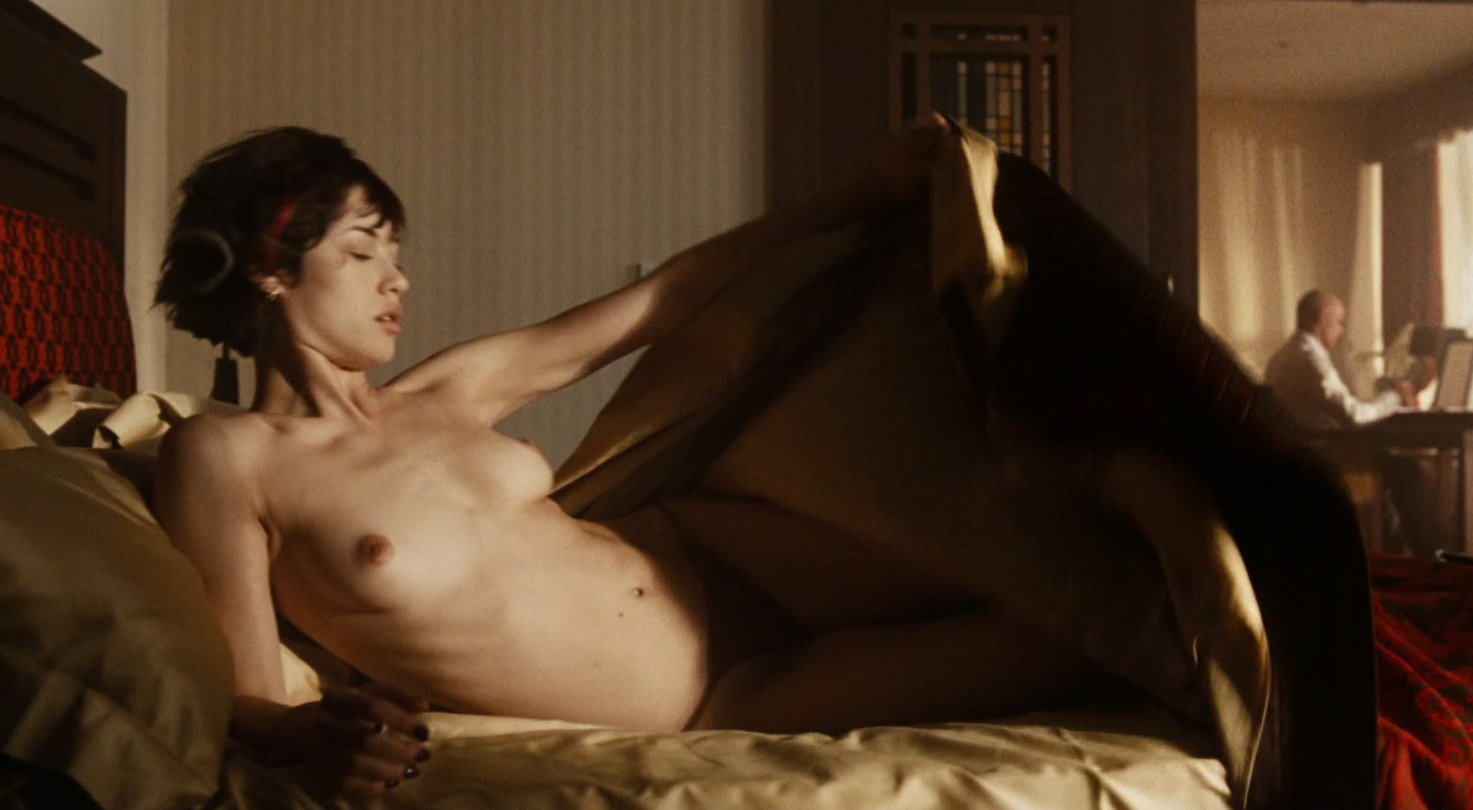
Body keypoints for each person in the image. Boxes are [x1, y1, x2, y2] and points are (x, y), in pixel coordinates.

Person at [152, 120, 1104, 800]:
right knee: (1072, 640)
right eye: (364, 251)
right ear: (270, 268)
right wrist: (315, 734)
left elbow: (666, 301)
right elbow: (248, 696)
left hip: (722, 551)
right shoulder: (225, 454)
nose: (397, 278)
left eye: (396, 251)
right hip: (717, 696)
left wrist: (860, 195)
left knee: (1087, 563)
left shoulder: (442, 391)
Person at [1263, 290, 1417, 429]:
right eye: (1339, 322)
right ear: (1322, 321)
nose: (1341, 332)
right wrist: (1395, 397)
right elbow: (1354, 415)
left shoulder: (1281, 356)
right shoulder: (1311, 360)